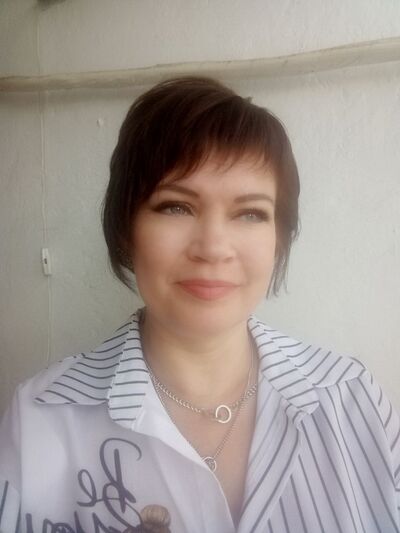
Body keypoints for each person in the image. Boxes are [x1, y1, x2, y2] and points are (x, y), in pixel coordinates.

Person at [0, 77, 399, 533]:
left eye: (250, 213)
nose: (213, 248)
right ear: (126, 228)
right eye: (176, 207)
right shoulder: (41, 417)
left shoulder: (352, 398)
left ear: (278, 239)